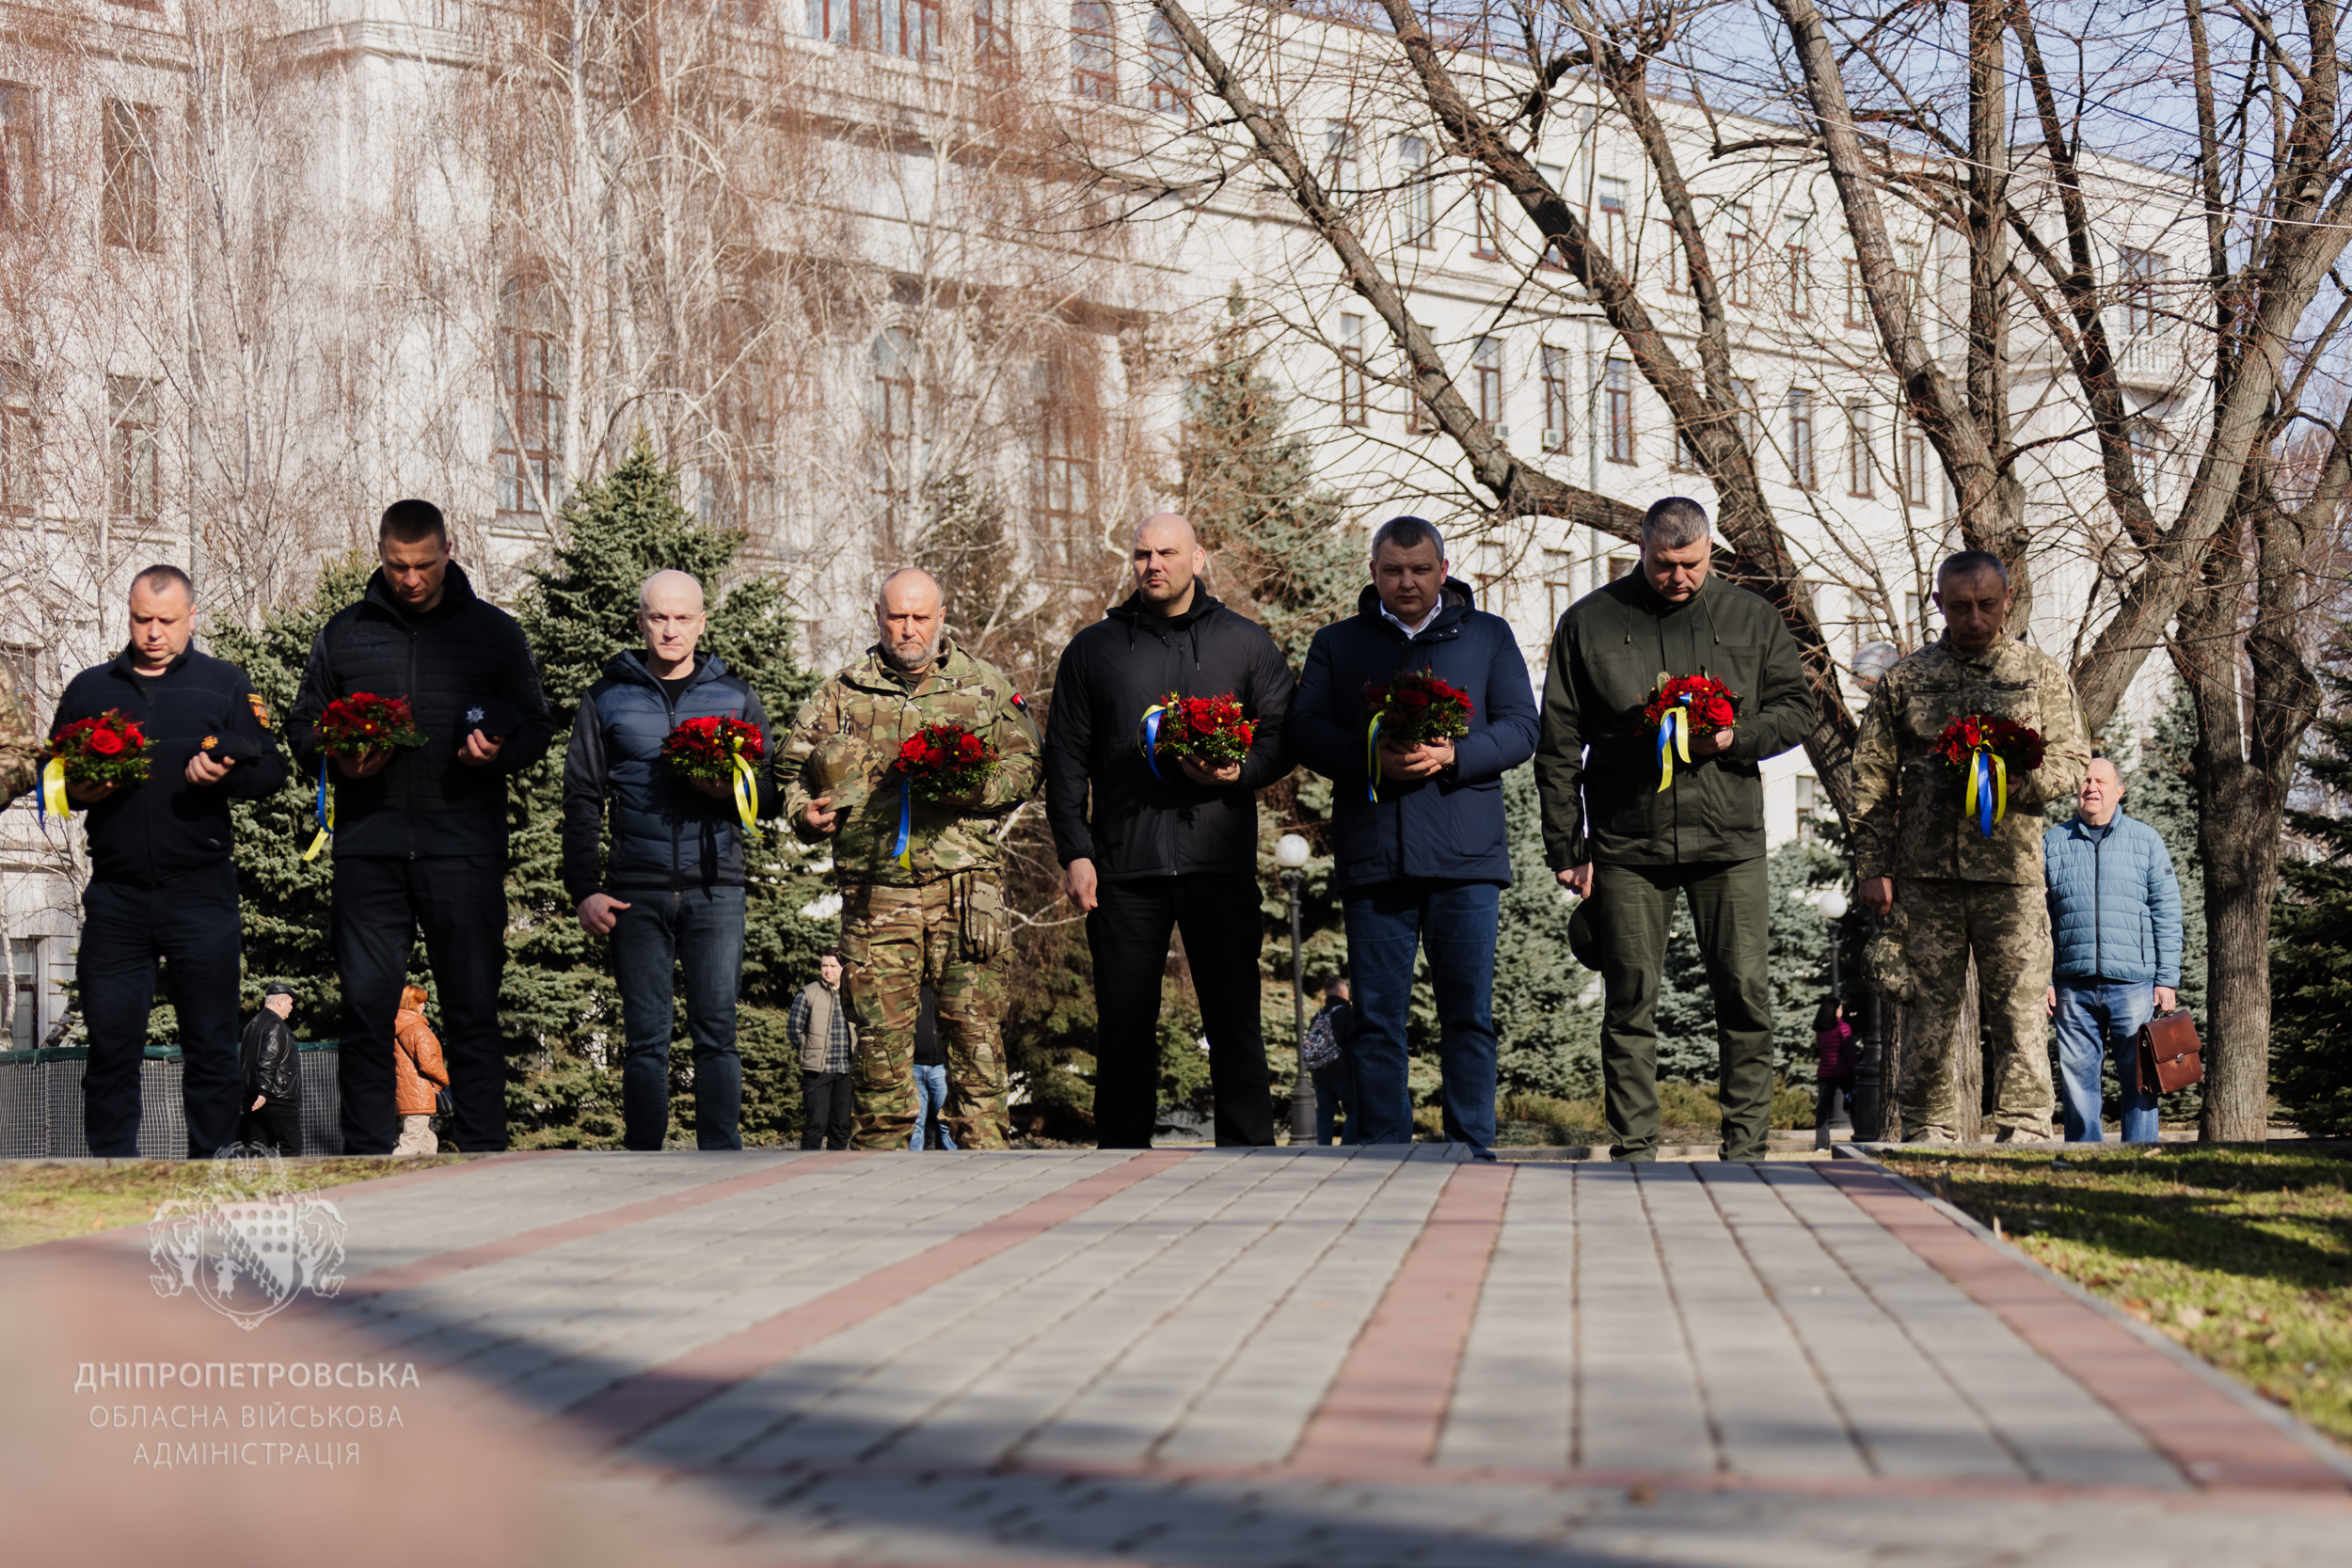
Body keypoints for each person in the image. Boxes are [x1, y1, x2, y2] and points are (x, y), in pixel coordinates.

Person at [1534, 498, 1814, 1163]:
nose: (1679, 577)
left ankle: (1745, 1149)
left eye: (1691, 564)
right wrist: (1566, 849)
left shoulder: (1751, 617)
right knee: (1629, 997)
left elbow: (1798, 709)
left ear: (1711, 550)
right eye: (1665, 565)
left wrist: (1735, 735)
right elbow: (1557, 745)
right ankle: (1633, 1148)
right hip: (1629, 842)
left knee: (1744, 992)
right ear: (1642, 547)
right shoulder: (1589, 623)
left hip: (1729, 841)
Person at [290, 500, 553, 1156]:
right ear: (379, 554)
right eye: (397, 565)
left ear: (449, 550)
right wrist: (339, 755)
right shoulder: (345, 634)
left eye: (424, 565)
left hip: (463, 851)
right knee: (366, 1010)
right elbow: (302, 727)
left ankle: (485, 1150)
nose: (411, 579)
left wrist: (501, 751)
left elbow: (538, 727)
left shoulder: (495, 633)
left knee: (471, 1011)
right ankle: (365, 1152)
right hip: (368, 852)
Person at [1042, 514, 1293, 1149]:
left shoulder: (1246, 642)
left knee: (1235, 1021)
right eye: (1142, 554)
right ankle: (1121, 1161)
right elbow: (1065, 760)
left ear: (1198, 559)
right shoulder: (1092, 650)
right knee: (1125, 1025)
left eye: (1167, 553)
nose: (1153, 564)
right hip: (1125, 868)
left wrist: (1240, 771)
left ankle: (1251, 1159)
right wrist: (1076, 850)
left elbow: (1285, 734)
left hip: (1219, 863)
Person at [1293, 515, 1538, 1159]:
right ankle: (1381, 1146)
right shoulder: (1338, 643)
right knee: (1375, 1020)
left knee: (1469, 1016)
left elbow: (1521, 727)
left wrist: (1455, 754)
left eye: (1420, 569)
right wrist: (1369, 756)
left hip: (1466, 860)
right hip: (1376, 857)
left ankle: (1472, 1144)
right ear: (1373, 572)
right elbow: (1305, 729)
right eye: (1394, 570)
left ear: (1443, 571)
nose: (1407, 581)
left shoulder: (1488, 637)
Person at [781, 568, 1041, 1150]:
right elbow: (789, 772)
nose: (909, 628)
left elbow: (1028, 765)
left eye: (920, 616)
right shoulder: (840, 692)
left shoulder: (985, 685)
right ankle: (884, 1201)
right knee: (878, 1055)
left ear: (941, 616)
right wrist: (805, 813)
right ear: (878, 616)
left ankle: (990, 1194)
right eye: (898, 616)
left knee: (975, 1048)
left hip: (964, 891)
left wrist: (971, 789)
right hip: (877, 896)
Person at [1852, 549, 2091, 1143]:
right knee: (1927, 1011)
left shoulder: (2039, 674)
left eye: (1987, 605)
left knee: (2019, 1011)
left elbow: (2072, 760)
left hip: (2009, 877)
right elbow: (1872, 777)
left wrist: (2013, 780)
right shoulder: (1906, 680)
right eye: (1961, 607)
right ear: (1939, 604)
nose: (1975, 619)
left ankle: (2026, 1126)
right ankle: (1927, 1126)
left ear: (2006, 601)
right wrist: (1873, 866)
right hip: (1925, 877)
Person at [54, 564, 287, 1158]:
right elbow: (51, 783)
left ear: (190, 619)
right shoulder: (88, 690)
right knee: (110, 1048)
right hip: (116, 897)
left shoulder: (224, 683)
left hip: (200, 893)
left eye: (166, 620)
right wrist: (80, 790)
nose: (152, 632)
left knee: (210, 1047)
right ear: (127, 614)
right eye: (141, 619)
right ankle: (114, 1182)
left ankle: (209, 1174)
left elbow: (272, 769)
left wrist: (223, 776)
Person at [563, 569, 775, 1152]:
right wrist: (585, 887)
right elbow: (581, 796)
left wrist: (724, 789)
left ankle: (721, 1160)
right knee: (645, 1041)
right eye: (659, 617)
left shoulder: (735, 695)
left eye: (683, 618)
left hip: (717, 889)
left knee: (717, 1035)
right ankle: (642, 1161)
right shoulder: (606, 696)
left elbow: (771, 789)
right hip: (636, 890)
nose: (671, 629)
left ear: (702, 622)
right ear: (641, 621)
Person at [2042, 757, 2182, 1144]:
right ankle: (2085, 1160)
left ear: (2119, 791)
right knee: (2077, 1080)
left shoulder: (2145, 840)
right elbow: (2039, 920)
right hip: (2072, 984)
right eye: (2086, 780)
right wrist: (2044, 979)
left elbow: (2167, 911)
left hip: (2134, 985)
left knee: (2141, 1077)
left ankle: (2140, 1159)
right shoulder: (2053, 842)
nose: (2092, 786)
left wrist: (2167, 979)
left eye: (2101, 781)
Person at [789, 950, 857, 1151]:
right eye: (824, 966)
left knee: (841, 1125)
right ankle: (806, 1167)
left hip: (846, 1070)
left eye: (832, 966)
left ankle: (836, 1167)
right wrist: (809, 1050)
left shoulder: (853, 994)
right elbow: (794, 1029)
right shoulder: (808, 993)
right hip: (818, 1070)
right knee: (815, 1123)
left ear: (842, 969)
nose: (827, 970)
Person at [238, 982, 303, 1154]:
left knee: (259, 1150)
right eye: (290, 1002)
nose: (291, 1007)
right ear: (280, 1001)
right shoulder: (275, 1025)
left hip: (253, 1098)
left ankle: (258, 1181)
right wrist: (264, 1091)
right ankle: (291, 1181)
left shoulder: (253, 1024)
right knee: (292, 1147)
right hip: (276, 1098)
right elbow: (269, 1059)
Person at [391, 985, 449, 1157]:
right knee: (409, 1146)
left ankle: (428, 1176)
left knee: (428, 1142)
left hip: (405, 1094)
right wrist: (448, 1080)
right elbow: (428, 1063)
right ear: (412, 1003)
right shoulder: (418, 1029)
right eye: (421, 1002)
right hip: (418, 1095)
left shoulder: (395, 1028)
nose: (424, 1006)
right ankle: (386, 1176)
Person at [1306, 973, 1358, 1147]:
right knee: (1354, 1112)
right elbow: (1353, 1043)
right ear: (1343, 993)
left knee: (1324, 1116)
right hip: (1343, 1075)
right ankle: (1346, 1149)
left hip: (1320, 1075)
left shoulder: (1318, 1016)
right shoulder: (1346, 1013)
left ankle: (1323, 1150)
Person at [910, 984, 955, 1150]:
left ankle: (955, 1164)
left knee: (946, 1120)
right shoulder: (911, 989)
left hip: (940, 1068)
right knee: (916, 1121)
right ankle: (911, 1164)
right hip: (914, 1066)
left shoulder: (946, 988)